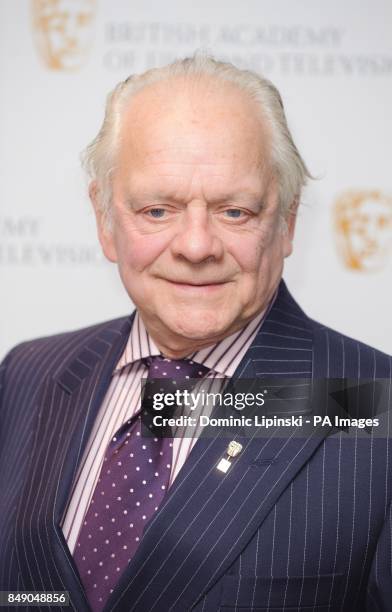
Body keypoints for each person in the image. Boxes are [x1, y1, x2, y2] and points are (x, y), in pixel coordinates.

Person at [0, 55, 391, 612]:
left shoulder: (376, 404)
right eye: (157, 210)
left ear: (287, 223)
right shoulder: (27, 374)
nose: (196, 246)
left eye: (235, 212)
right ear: (104, 219)